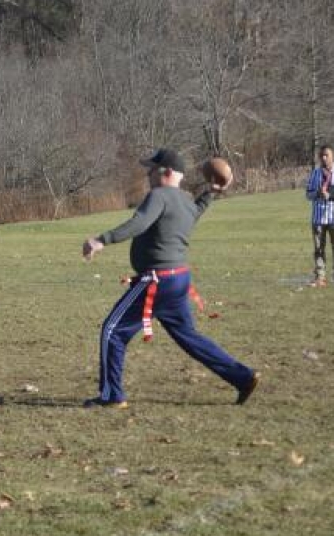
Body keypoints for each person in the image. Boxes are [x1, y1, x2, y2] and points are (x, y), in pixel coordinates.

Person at [81, 149, 259, 407]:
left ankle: (111, 396)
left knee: (113, 330)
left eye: (151, 170)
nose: (147, 174)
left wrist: (101, 240)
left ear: (164, 172)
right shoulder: (186, 201)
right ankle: (242, 377)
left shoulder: (158, 196)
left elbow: (139, 223)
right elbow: (196, 211)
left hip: (156, 281)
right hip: (178, 280)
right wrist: (211, 192)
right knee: (189, 336)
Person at [304, 144, 334, 286]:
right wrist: (316, 194)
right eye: (322, 156)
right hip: (318, 217)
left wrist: (330, 195)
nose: (324, 158)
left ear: (333, 156)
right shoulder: (315, 174)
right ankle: (320, 276)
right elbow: (308, 194)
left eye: (327, 155)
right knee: (319, 248)